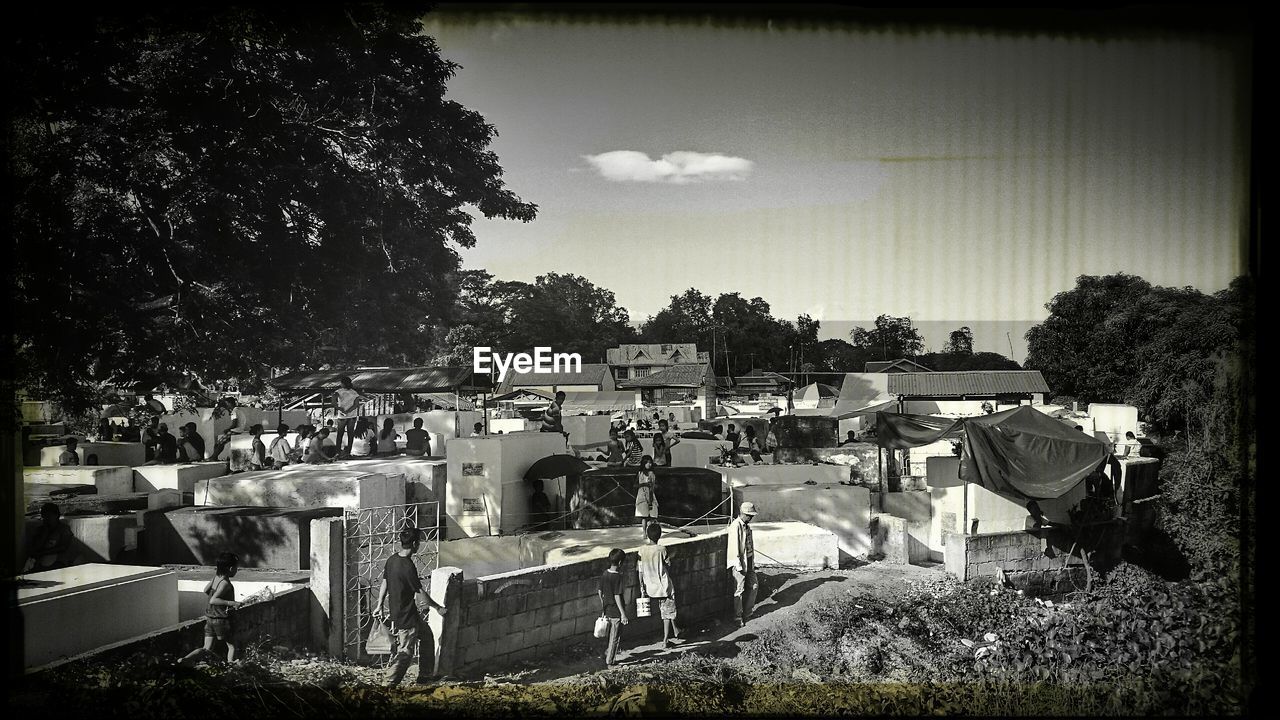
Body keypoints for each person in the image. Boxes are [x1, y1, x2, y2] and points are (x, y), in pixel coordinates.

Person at [373, 528, 448, 687]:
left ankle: (425, 676)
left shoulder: (392, 560)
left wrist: (379, 605)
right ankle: (388, 684)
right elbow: (420, 592)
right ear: (415, 544)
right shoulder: (407, 566)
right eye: (419, 542)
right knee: (406, 652)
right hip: (406, 616)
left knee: (427, 636)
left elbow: (385, 581)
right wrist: (437, 608)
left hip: (406, 612)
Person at [178, 552, 244, 666]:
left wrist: (219, 598)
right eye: (236, 568)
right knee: (232, 646)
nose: (236, 570)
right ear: (231, 568)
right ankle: (231, 665)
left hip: (210, 618)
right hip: (221, 620)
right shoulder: (225, 584)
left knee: (206, 648)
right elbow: (213, 600)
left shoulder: (215, 578)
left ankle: (185, 659)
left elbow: (205, 590)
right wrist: (231, 603)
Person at [637, 522, 682, 649]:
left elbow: (640, 570)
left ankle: (676, 630)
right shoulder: (662, 550)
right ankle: (665, 640)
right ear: (660, 535)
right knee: (667, 613)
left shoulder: (641, 550)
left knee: (666, 611)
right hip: (664, 587)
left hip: (650, 587)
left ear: (647, 534)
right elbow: (668, 565)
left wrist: (642, 587)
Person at [726, 502, 759, 628]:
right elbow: (734, 548)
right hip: (739, 562)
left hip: (749, 561)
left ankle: (748, 612)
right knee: (739, 590)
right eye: (749, 515)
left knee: (754, 586)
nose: (751, 518)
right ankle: (738, 616)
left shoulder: (747, 526)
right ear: (743, 514)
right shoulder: (736, 526)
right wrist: (738, 565)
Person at [597, 548, 630, 668]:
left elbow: (600, 592)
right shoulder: (618, 577)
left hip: (607, 610)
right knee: (615, 637)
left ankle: (607, 655)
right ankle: (610, 661)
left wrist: (604, 604)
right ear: (620, 562)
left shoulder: (605, 574)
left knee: (609, 636)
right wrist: (623, 614)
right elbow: (617, 596)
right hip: (616, 612)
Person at [24, 502, 73, 573]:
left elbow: (63, 547)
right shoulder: (40, 530)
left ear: (56, 516)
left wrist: (43, 552)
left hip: (58, 562)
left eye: (48, 516)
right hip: (39, 563)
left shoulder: (64, 529)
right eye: (44, 516)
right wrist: (44, 533)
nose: (46, 519)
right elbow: (34, 548)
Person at [332, 376, 368, 459]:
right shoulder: (354, 392)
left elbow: (333, 401)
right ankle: (348, 452)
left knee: (340, 434)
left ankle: (338, 452)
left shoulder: (338, 391)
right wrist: (348, 410)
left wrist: (340, 409)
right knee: (350, 434)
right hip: (352, 415)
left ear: (343, 383)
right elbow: (356, 404)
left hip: (342, 415)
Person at [634, 456, 659, 537]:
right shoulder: (640, 473)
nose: (649, 464)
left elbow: (652, 487)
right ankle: (644, 532)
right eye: (647, 462)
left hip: (650, 494)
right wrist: (643, 484)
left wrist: (650, 501)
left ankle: (650, 532)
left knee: (652, 515)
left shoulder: (651, 474)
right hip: (641, 495)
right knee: (644, 516)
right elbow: (635, 485)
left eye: (650, 463)